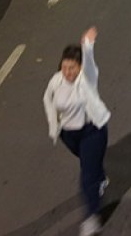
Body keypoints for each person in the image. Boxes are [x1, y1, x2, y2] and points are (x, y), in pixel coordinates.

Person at [42, 27, 110, 236]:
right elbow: (47, 100)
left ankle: (91, 217)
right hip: (69, 135)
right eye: (65, 67)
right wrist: (55, 126)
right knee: (89, 164)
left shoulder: (87, 78)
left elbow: (89, 62)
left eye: (72, 68)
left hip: (92, 131)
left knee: (86, 177)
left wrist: (87, 45)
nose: (68, 72)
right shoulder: (56, 80)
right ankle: (101, 177)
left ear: (80, 68)